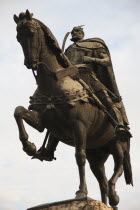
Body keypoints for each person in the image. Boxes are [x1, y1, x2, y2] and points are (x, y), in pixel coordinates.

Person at [35, 26, 131, 161]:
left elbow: (106, 61)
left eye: (78, 32)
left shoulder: (95, 45)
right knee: (57, 106)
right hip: (69, 79)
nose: (75, 34)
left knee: (105, 98)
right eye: (73, 32)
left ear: (83, 34)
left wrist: (91, 60)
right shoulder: (68, 50)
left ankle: (119, 125)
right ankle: (49, 150)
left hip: (88, 76)